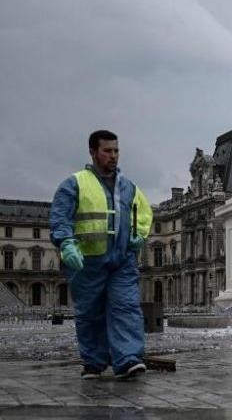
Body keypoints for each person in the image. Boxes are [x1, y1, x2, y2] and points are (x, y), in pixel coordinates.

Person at [49, 130, 153, 380]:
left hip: (122, 260)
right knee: (89, 313)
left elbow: (145, 213)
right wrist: (65, 243)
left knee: (126, 307)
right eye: (107, 151)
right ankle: (94, 362)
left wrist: (139, 235)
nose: (113, 156)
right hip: (86, 261)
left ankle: (128, 360)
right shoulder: (75, 183)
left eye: (116, 150)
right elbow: (60, 216)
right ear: (93, 152)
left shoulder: (129, 187)